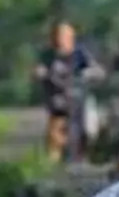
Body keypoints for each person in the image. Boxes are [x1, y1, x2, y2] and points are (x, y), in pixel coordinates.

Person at [34, 21, 103, 162]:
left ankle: (81, 157)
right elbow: (38, 70)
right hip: (57, 99)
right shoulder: (48, 54)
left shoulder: (80, 53)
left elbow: (98, 71)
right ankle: (53, 161)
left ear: (72, 37)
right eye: (58, 36)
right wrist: (40, 73)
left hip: (79, 98)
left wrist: (88, 73)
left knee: (86, 130)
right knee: (56, 130)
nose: (61, 40)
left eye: (65, 36)